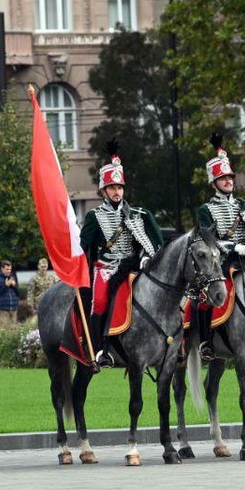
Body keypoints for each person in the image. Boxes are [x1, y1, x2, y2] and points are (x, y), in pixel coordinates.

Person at [194, 133, 245, 361]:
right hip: (222, 264)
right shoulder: (206, 210)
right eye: (223, 178)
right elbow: (208, 239)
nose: (228, 181)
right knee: (205, 298)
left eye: (230, 177)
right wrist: (233, 247)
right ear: (214, 183)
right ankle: (206, 342)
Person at [80, 140, 164, 368]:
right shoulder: (94, 216)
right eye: (112, 188)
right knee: (99, 303)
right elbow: (83, 246)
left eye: (120, 187)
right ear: (103, 191)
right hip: (106, 268)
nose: (117, 192)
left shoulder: (140, 214)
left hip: (135, 268)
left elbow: (155, 243)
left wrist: (147, 257)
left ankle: (170, 344)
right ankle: (99, 350)